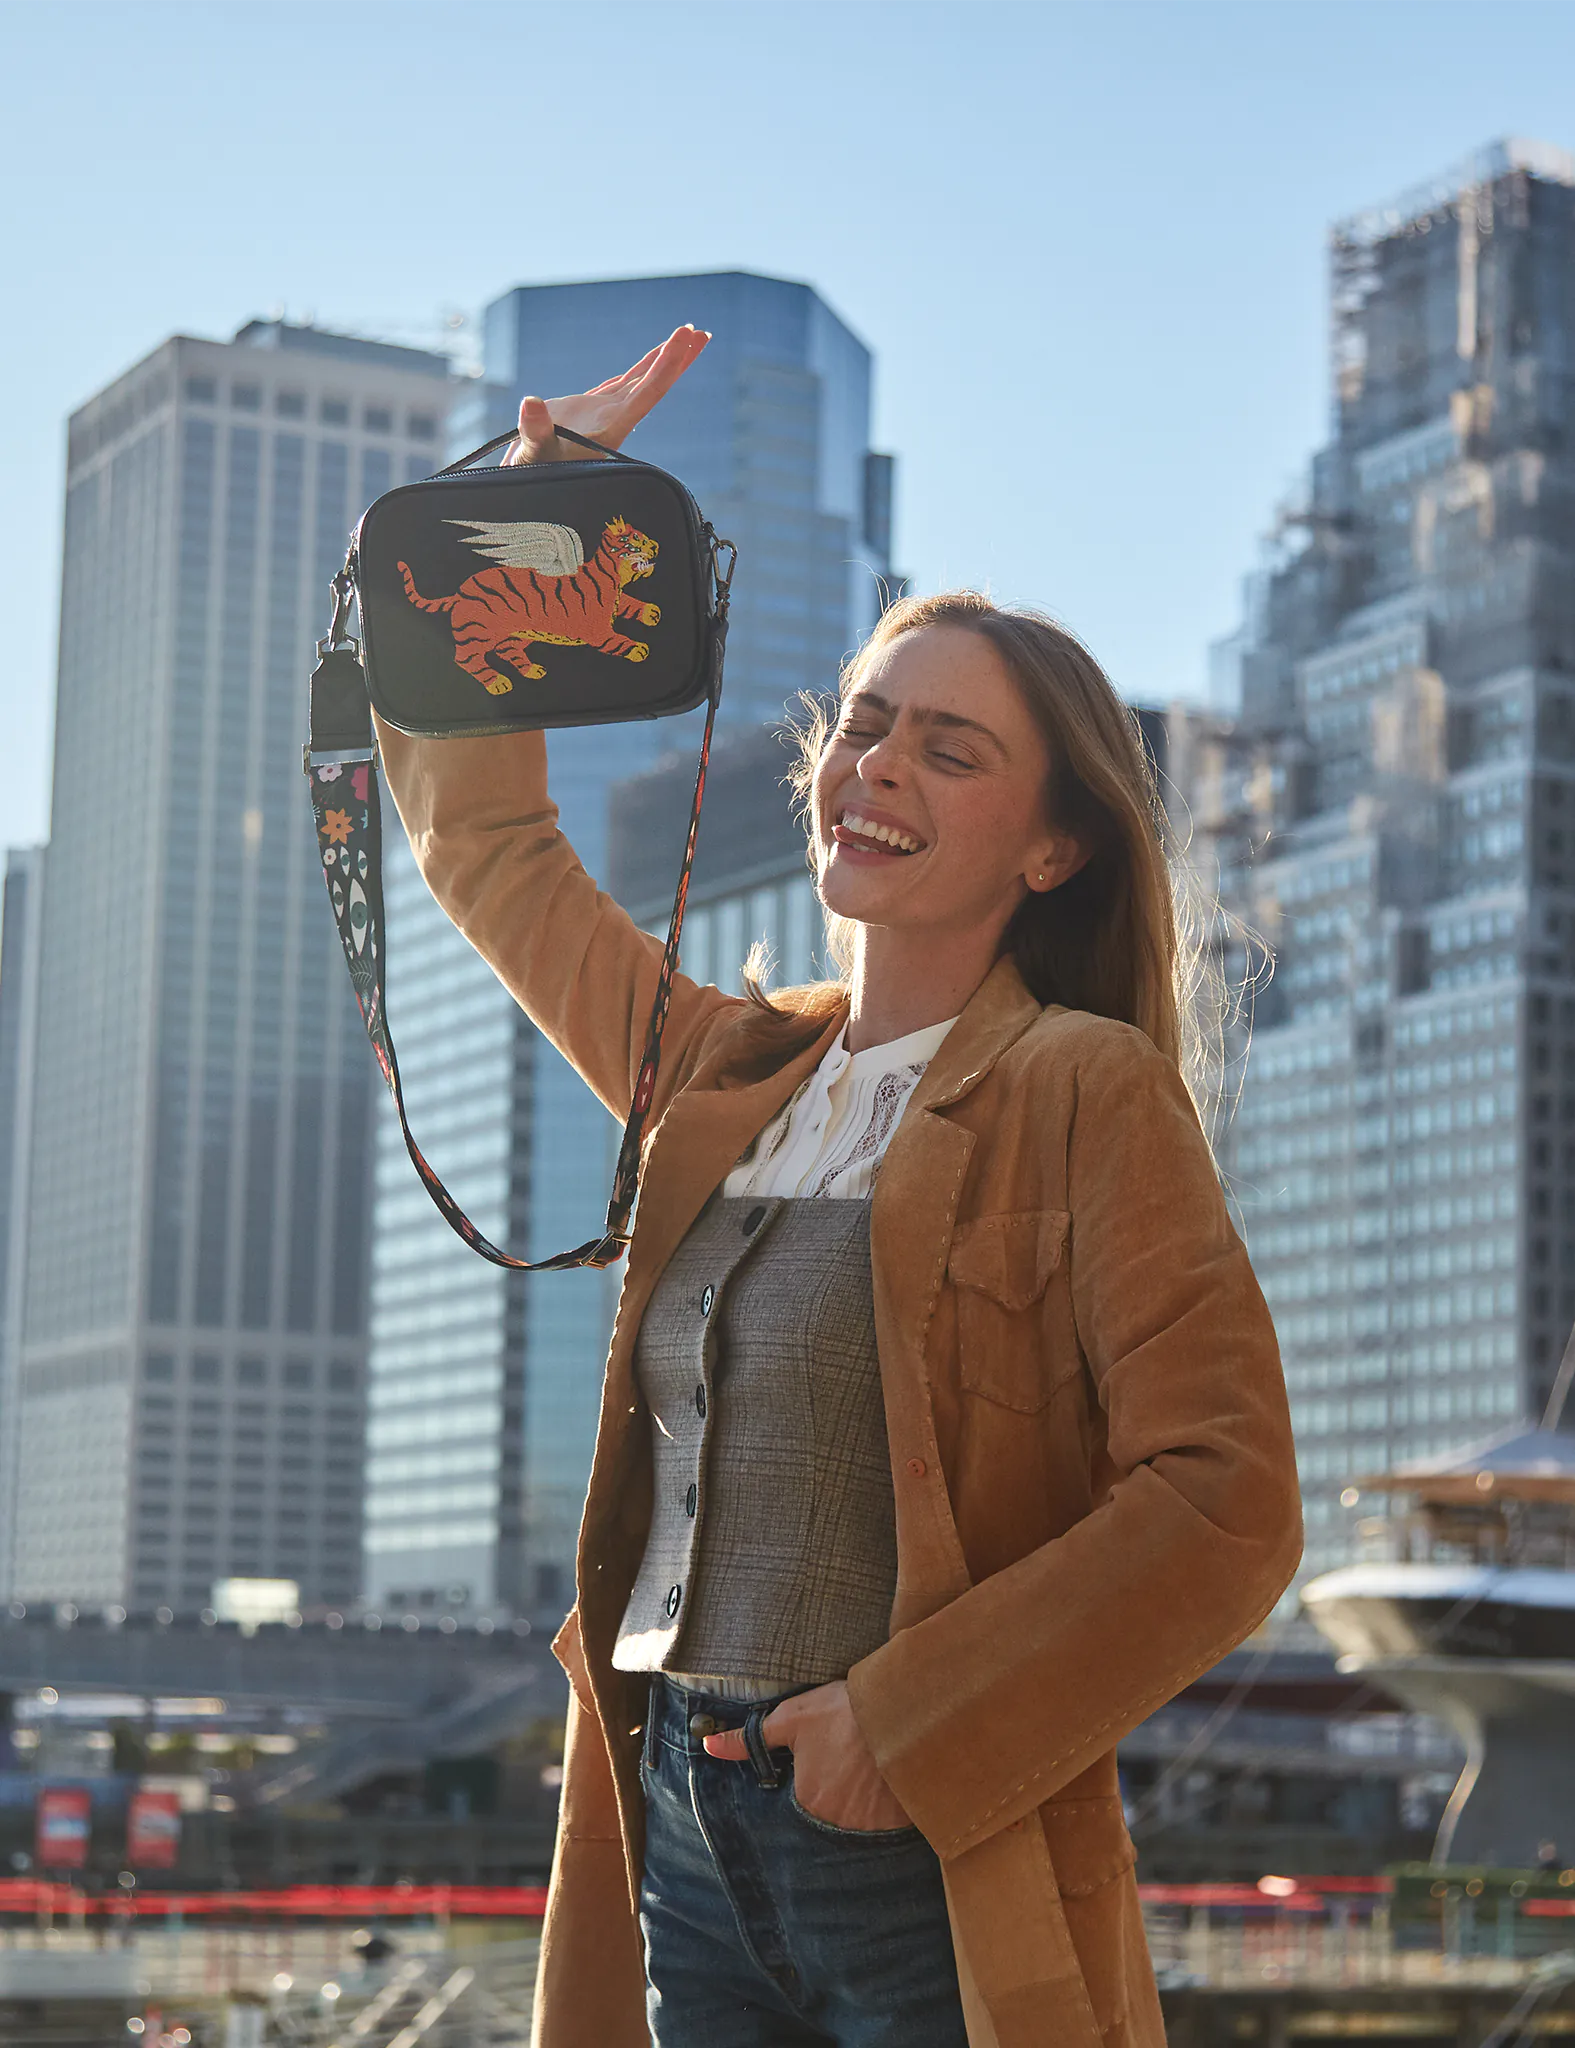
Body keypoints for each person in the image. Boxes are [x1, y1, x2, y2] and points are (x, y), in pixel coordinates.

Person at [374, 327, 1301, 2048]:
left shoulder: (1078, 1090)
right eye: (865, 727)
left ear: (1051, 847)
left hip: (918, 1849)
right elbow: (483, 844)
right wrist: (536, 506)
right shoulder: (720, 1076)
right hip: (677, 1826)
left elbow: (1225, 1500)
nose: (876, 764)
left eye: (950, 751)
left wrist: (907, 1724)